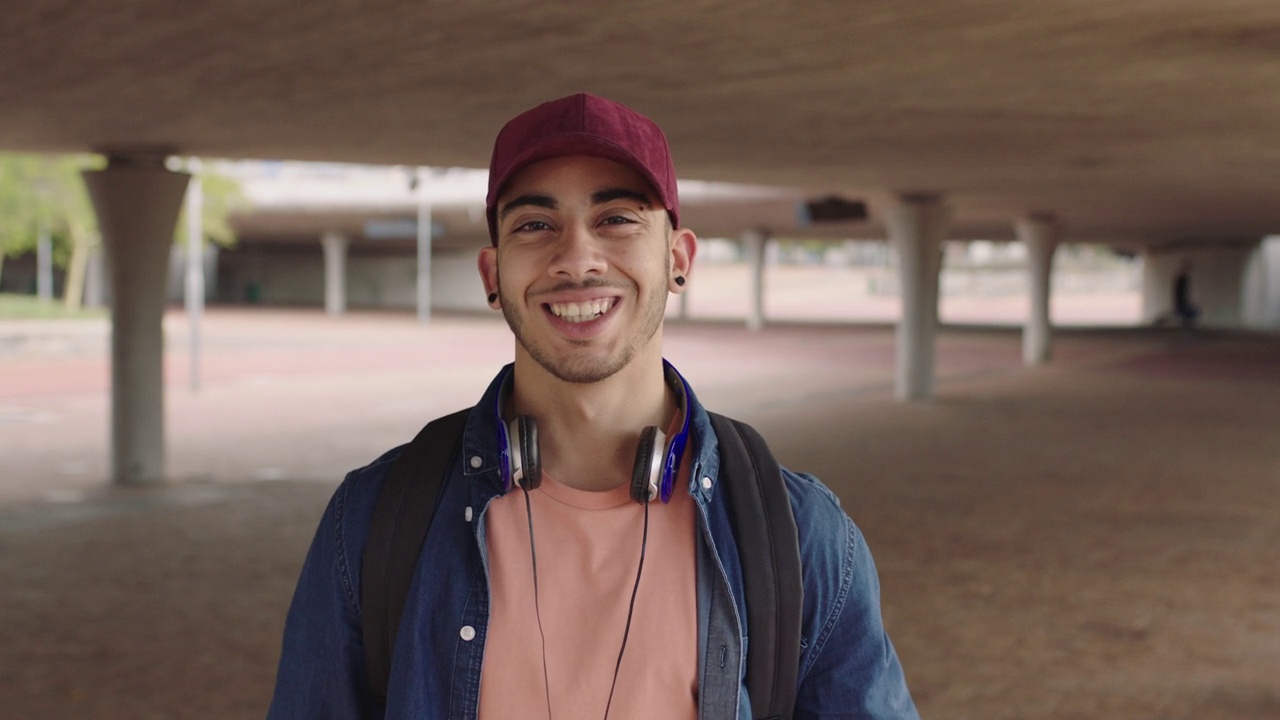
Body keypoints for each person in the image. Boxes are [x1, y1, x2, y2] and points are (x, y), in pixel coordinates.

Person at [267, 93, 919, 719]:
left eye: (616, 219)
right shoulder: (372, 520)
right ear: (493, 275)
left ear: (677, 258)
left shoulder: (803, 537)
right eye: (535, 224)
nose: (576, 258)